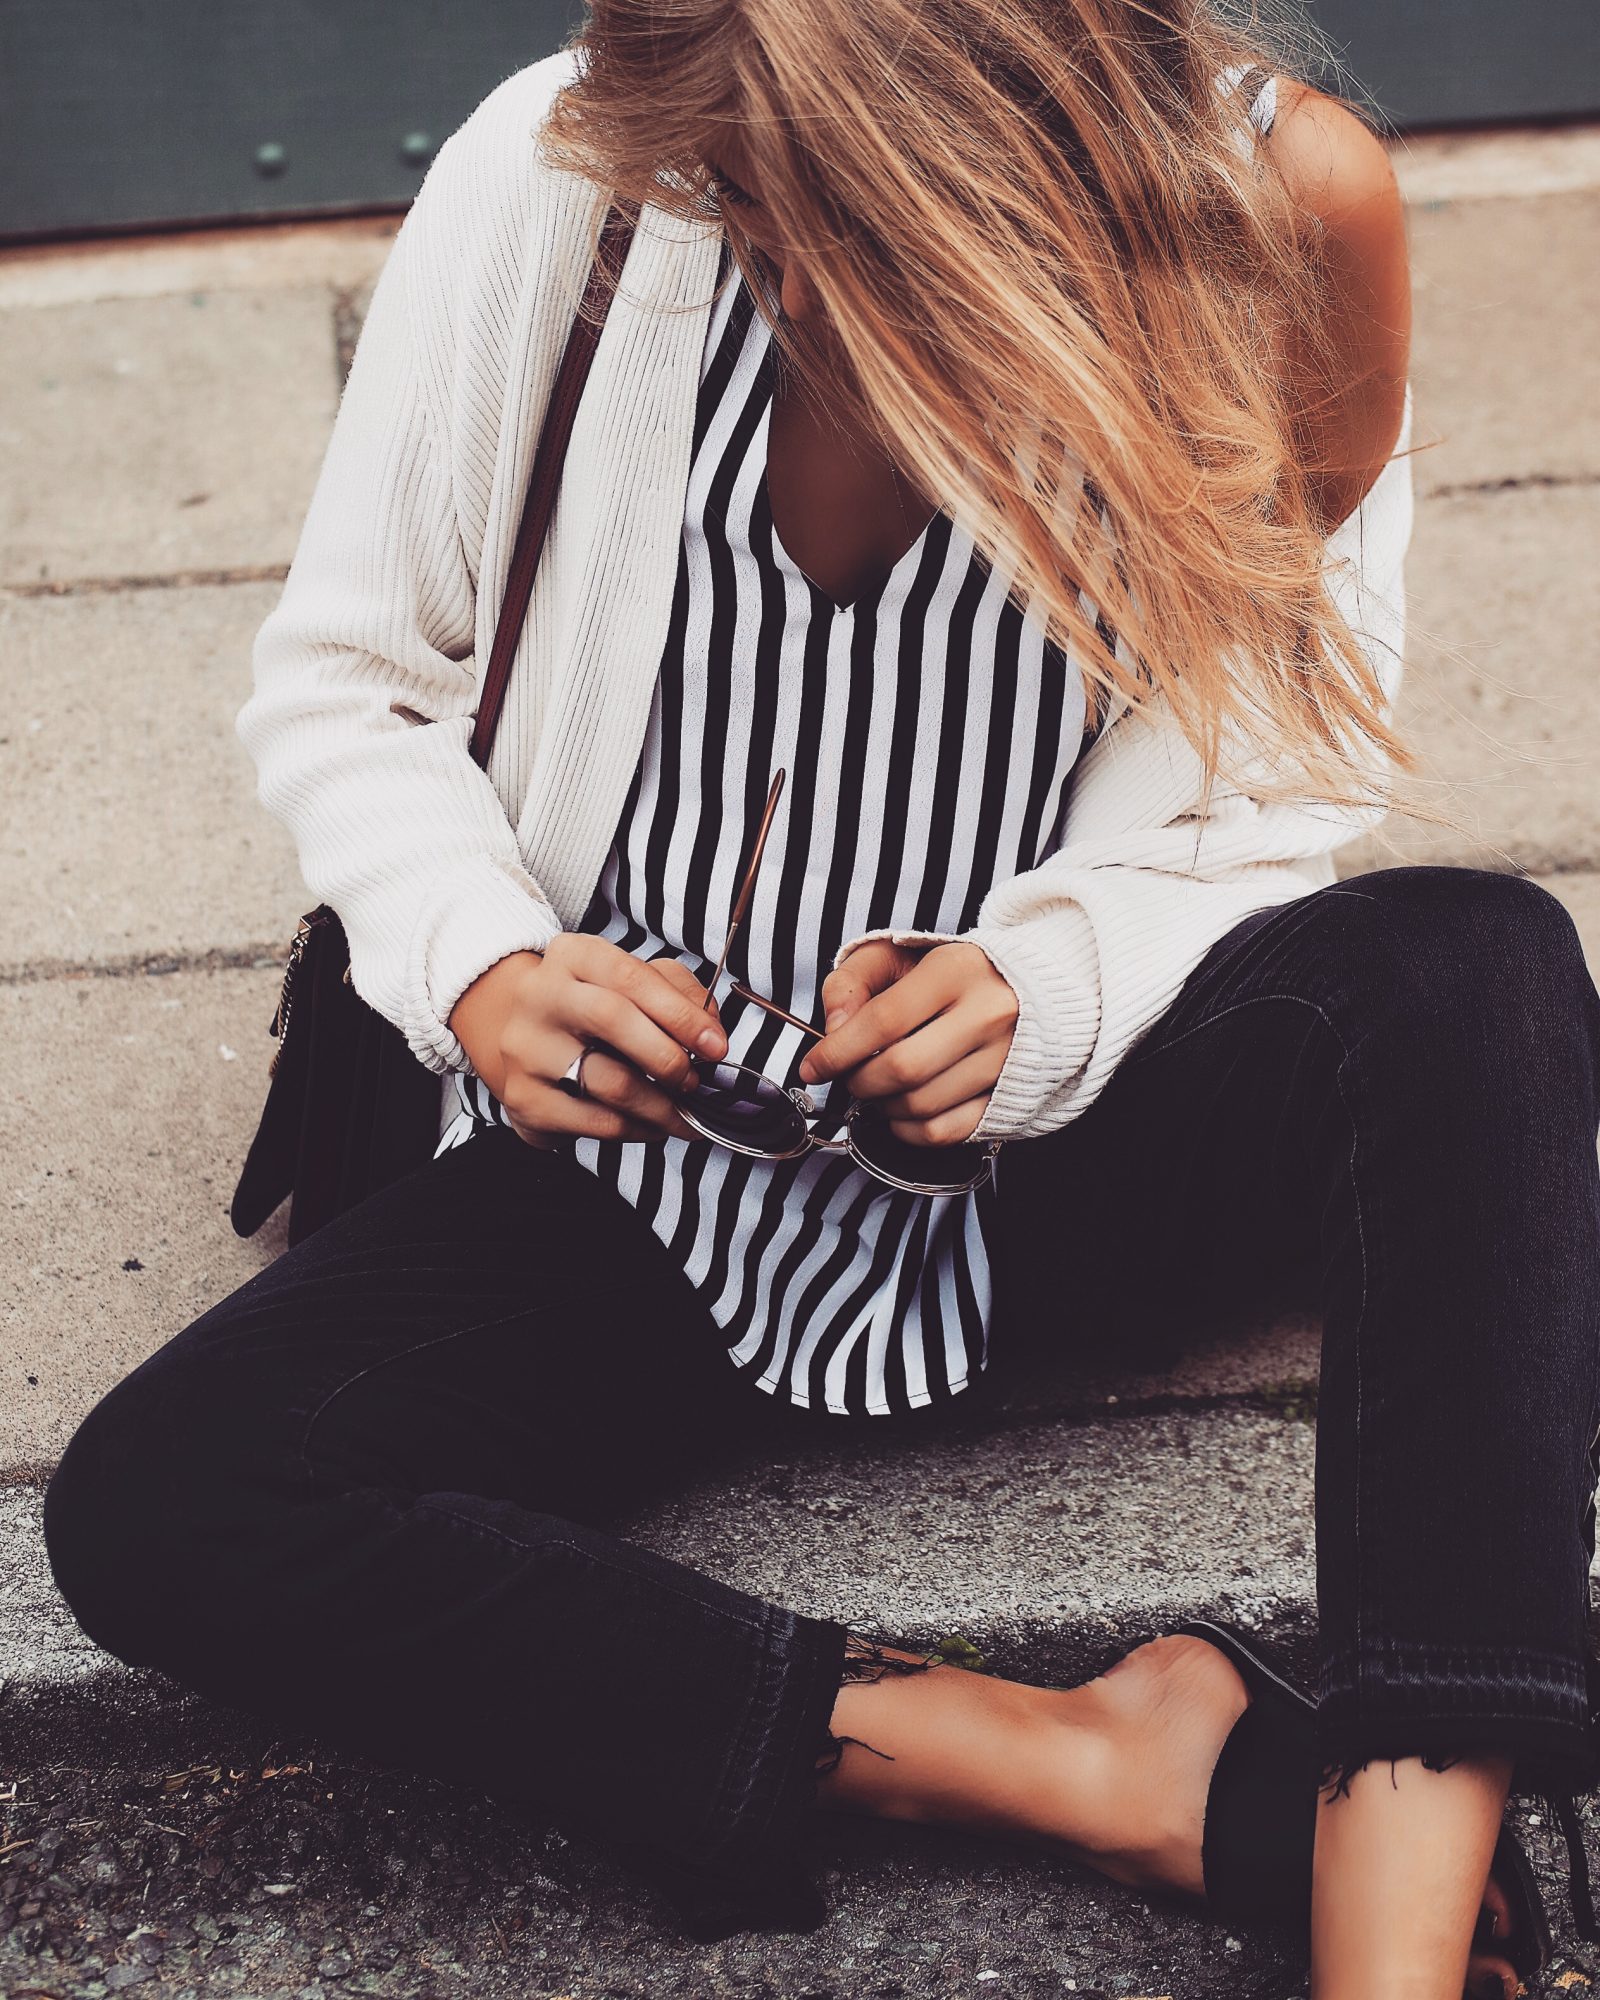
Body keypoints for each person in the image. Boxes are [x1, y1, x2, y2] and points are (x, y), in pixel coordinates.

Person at [41, 2, 1600, 1993]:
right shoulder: (569, 172)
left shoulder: (1276, 214)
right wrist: (475, 956)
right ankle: (1087, 1760)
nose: (772, 268)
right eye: (750, 216)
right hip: (627, 1173)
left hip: (1038, 1160)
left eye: (830, 228)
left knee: (1472, 970)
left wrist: (1039, 990)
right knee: (169, 1497)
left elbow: (1278, 761)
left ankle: (1390, 1932)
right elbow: (352, 679)